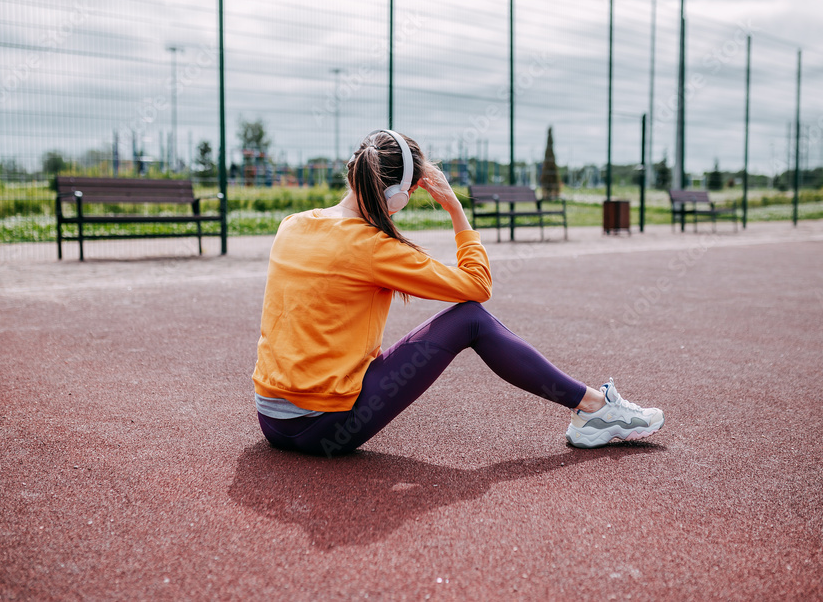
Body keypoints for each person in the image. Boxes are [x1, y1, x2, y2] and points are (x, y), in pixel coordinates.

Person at [252, 129, 664, 457]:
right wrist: (455, 209)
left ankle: (594, 408)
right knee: (470, 320)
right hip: (322, 426)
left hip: (270, 420)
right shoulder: (375, 248)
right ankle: (594, 408)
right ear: (398, 196)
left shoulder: (291, 225)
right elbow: (478, 287)